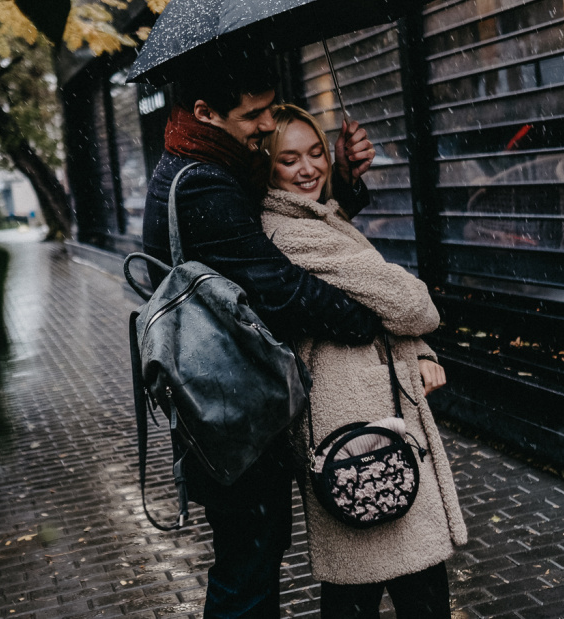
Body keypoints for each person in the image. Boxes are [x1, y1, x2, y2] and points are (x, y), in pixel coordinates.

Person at [141, 56, 381, 619]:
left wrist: (342, 180)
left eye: (271, 108)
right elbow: (281, 288)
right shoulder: (203, 184)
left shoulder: (203, 162)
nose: (269, 124)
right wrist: (372, 316)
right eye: (254, 115)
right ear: (206, 112)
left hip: (222, 404)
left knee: (252, 557)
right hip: (231, 412)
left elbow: (281, 232)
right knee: (246, 572)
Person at [259, 104, 468, 619]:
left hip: (364, 414)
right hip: (354, 424)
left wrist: (419, 351)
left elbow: (375, 309)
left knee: (371, 582)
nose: (308, 168)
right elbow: (410, 305)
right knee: (396, 581)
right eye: (289, 159)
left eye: (315, 153)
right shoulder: (292, 233)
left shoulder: (320, 217)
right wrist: (413, 320)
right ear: (265, 166)